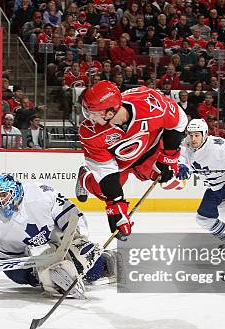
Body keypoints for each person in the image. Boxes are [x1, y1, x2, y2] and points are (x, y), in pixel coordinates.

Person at [0, 174, 117, 298]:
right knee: (45, 275)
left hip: (54, 246)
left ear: (15, 191)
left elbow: (70, 215)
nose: (1, 201)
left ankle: (107, 262)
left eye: (5, 195)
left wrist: (76, 240)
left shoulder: (40, 193)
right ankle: (50, 278)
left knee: (89, 266)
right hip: (16, 261)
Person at [74, 81, 188, 239]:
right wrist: (116, 205)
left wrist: (169, 156)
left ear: (109, 112)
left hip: (149, 151)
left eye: (93, 113)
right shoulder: (90, 132)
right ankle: (84, 177)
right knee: (103, 192)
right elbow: (105, 170)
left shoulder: (149, 103)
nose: (90, 118)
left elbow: (179, 121)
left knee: (164, 176)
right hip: (119, 165)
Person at [176, 119, 225, 244]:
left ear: (205, 134)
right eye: (190, 135)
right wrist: (183, 167)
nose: (193, 139)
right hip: (214, 188)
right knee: (203, 218)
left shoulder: (216, 145)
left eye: (196, 135)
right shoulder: (186, 145)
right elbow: (182, 159)